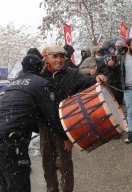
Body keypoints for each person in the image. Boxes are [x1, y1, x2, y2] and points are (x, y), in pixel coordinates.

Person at [0, 54, 64, 192]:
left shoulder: (14, 83)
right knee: (19, 185)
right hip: (9, 139)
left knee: (5, 184)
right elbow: (52, 117)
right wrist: (64, 137)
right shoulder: (41, 83)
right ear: (39, 67)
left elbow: (21, 111)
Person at [40, 45, 107, 192]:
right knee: (48, 165)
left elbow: (87, 80)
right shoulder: (40, 75)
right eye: (55, 56)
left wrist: (96, 77)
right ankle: (51, 189)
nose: (59, 60)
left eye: (62, 56)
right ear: (47, 58)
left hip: (65, 126)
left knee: (65, 165)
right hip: (45, 127)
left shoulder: (72, 74)